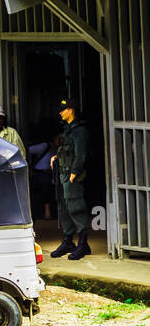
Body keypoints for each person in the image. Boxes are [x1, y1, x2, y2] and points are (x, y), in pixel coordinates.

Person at [50, 99, 92, 260]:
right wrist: (56, 157)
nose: (60, 113)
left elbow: (81, 154)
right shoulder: (68, 130)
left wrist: (74, 172)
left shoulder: (79, 130)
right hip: (63, 174)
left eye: (63, 110)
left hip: (72, 176)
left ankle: (83, 243)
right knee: (64, 208)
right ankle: (68, 240)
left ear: (71, 110)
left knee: (75, 207)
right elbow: (67, 149)